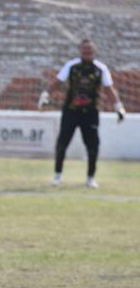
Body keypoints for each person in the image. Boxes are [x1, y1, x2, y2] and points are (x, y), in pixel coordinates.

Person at [38, 39, 125, 188]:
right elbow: (58, 82)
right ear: (80, 51)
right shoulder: (71, 66)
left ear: (95, 51)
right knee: (62, 143)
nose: (87, 53)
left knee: (93, 145)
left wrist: (119, 107)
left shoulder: (101, 68)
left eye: (90, 50)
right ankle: (57, 176)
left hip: (91, 112)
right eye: (85, 50)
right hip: (71, 111)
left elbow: (109, 89)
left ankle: (90, 178)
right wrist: (45, 95)